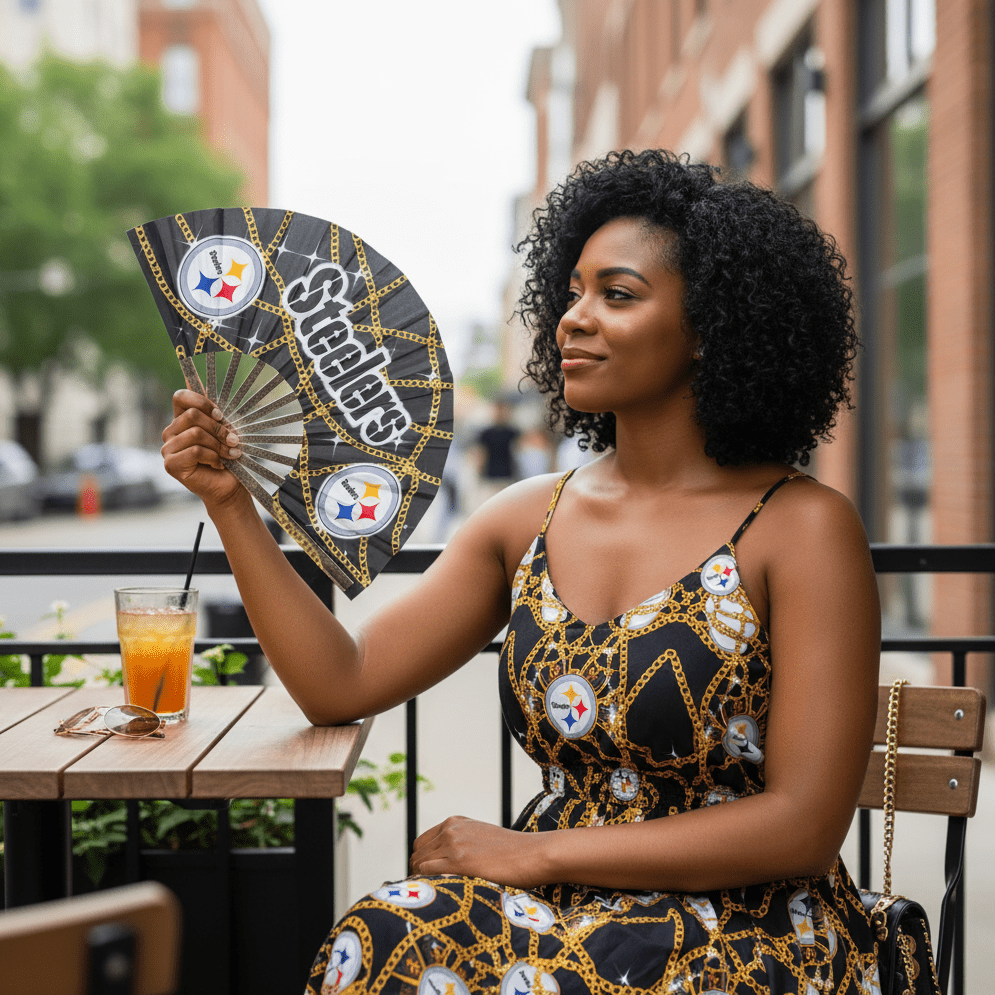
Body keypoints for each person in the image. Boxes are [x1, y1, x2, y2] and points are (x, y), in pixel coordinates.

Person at [160, 149, 882, 994]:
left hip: (752, 923)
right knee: (387, 936)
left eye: (616, 294)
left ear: (712, 328)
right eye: (571, 292)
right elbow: (339, 681)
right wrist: (231, 503)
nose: (573, 318)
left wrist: (532, 852)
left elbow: (803, 826)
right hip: (564, 907)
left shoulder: (802, 528)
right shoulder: (526, 517)